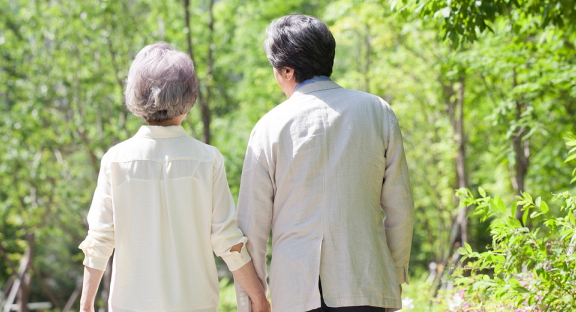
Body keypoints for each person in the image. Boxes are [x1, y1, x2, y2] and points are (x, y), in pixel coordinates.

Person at [236, 15, 415, 312]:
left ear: (288, 70)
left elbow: (252, 225)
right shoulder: (377, 111)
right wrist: (391, 277)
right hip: (365, 281)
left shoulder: (269, 126)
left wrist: (252, 300)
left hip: (295, 290)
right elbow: (401, 206)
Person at [78, 42, 270, 312]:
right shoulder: (208, 159)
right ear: (188, 96)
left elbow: (99, 241)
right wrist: (259, 297)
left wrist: (85, 305)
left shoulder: (115, 160)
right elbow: (227, 240)